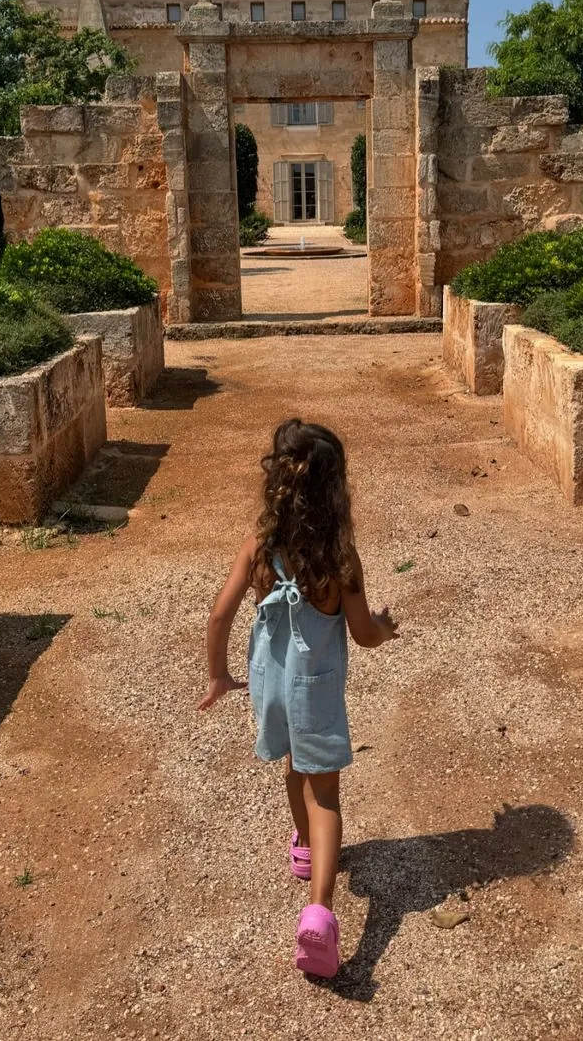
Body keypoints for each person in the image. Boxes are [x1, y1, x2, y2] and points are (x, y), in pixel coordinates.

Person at [198, 419, 399, 978]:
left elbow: (219, 617)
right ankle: (320, 913)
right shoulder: (340, 557)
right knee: (326, 795)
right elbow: (361, 632)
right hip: (315, 688)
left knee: (294, 765)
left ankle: (305, 849)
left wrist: (218, 677)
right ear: (334, 491)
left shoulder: (259, 548)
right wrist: (383, 625)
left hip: (268, 684)